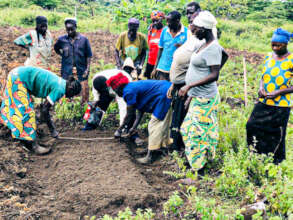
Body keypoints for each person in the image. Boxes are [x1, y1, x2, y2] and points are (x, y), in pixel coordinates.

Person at [178, 11, 227, 173]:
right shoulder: (203, 43)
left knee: (195, 133)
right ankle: (202, 159)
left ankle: (197, 170)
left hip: (206, 98)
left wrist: (189, 87)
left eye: (196, 28)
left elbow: (214, 75)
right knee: (187, 129)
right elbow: (225, 54)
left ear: (205, 29)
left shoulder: (212, 47)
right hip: (198, 96)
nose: (192, 30)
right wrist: (191, 93)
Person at [0, 66, 81, 155]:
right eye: (72, 95)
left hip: (16, 74)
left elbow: (44, 107)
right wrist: (52, 130)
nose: (70, 97)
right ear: (71, 88)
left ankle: (23, 137)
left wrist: (43, 119)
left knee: (16, 107)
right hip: (18, 79)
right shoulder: (60, 89)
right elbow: (45, 109)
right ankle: (32, 145)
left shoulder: (61, 82)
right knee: (27, 113)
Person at [246, 28, 293, 164]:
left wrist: (278, 92)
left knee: (277, 133)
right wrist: (261, 88)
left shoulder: (291, 59)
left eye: (278, 45)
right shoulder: (268, 56)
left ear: (285, 44)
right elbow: (263, 76)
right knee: (252, 125)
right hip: (264, 101)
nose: (275, 47)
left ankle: (276, 162)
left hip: (281, 104)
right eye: (273, 44)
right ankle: (256, 155)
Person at [106, 73, 173, 164]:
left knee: (154, 125)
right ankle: (158, 149)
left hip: (164, 94)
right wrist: (133, 128)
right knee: (162, 124)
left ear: (118, 87)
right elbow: (140, 112)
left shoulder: (128, 92)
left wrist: (119, 130)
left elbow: (130, 114)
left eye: (113, 89)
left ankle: (151, 155)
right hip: (166, 90)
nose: (114, 92)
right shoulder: (131, 87)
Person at [54, 18, 92, 104]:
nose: (70, 31)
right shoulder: (61, 40)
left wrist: (87, 69)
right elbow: (56, 48)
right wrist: (62, 55)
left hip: (81, 69)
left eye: (72, 29)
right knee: (66, 89)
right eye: (68, 29)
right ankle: (66, 107)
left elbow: (89, 55)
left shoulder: (84, 40)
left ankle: (84, 107)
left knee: (84, 91)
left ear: (76, 27)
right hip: (67, 70)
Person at [151, 11, 188, 80]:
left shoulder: (186, 33)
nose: (167, 24)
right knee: (162, 89)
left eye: (169, 21)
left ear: (177, 21)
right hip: (162, 68)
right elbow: (160, 49)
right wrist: (155, 68)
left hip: (178, 70)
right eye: (166, 21)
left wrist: (182, 47)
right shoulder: (165, 31)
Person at [144, 11, 165, 79]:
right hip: (150, 62)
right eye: (153, 21)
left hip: (160, 63)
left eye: (157, 20)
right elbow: (149, 47)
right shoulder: (151, 30)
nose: (155, 23)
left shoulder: (165, 31)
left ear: (161, 20)